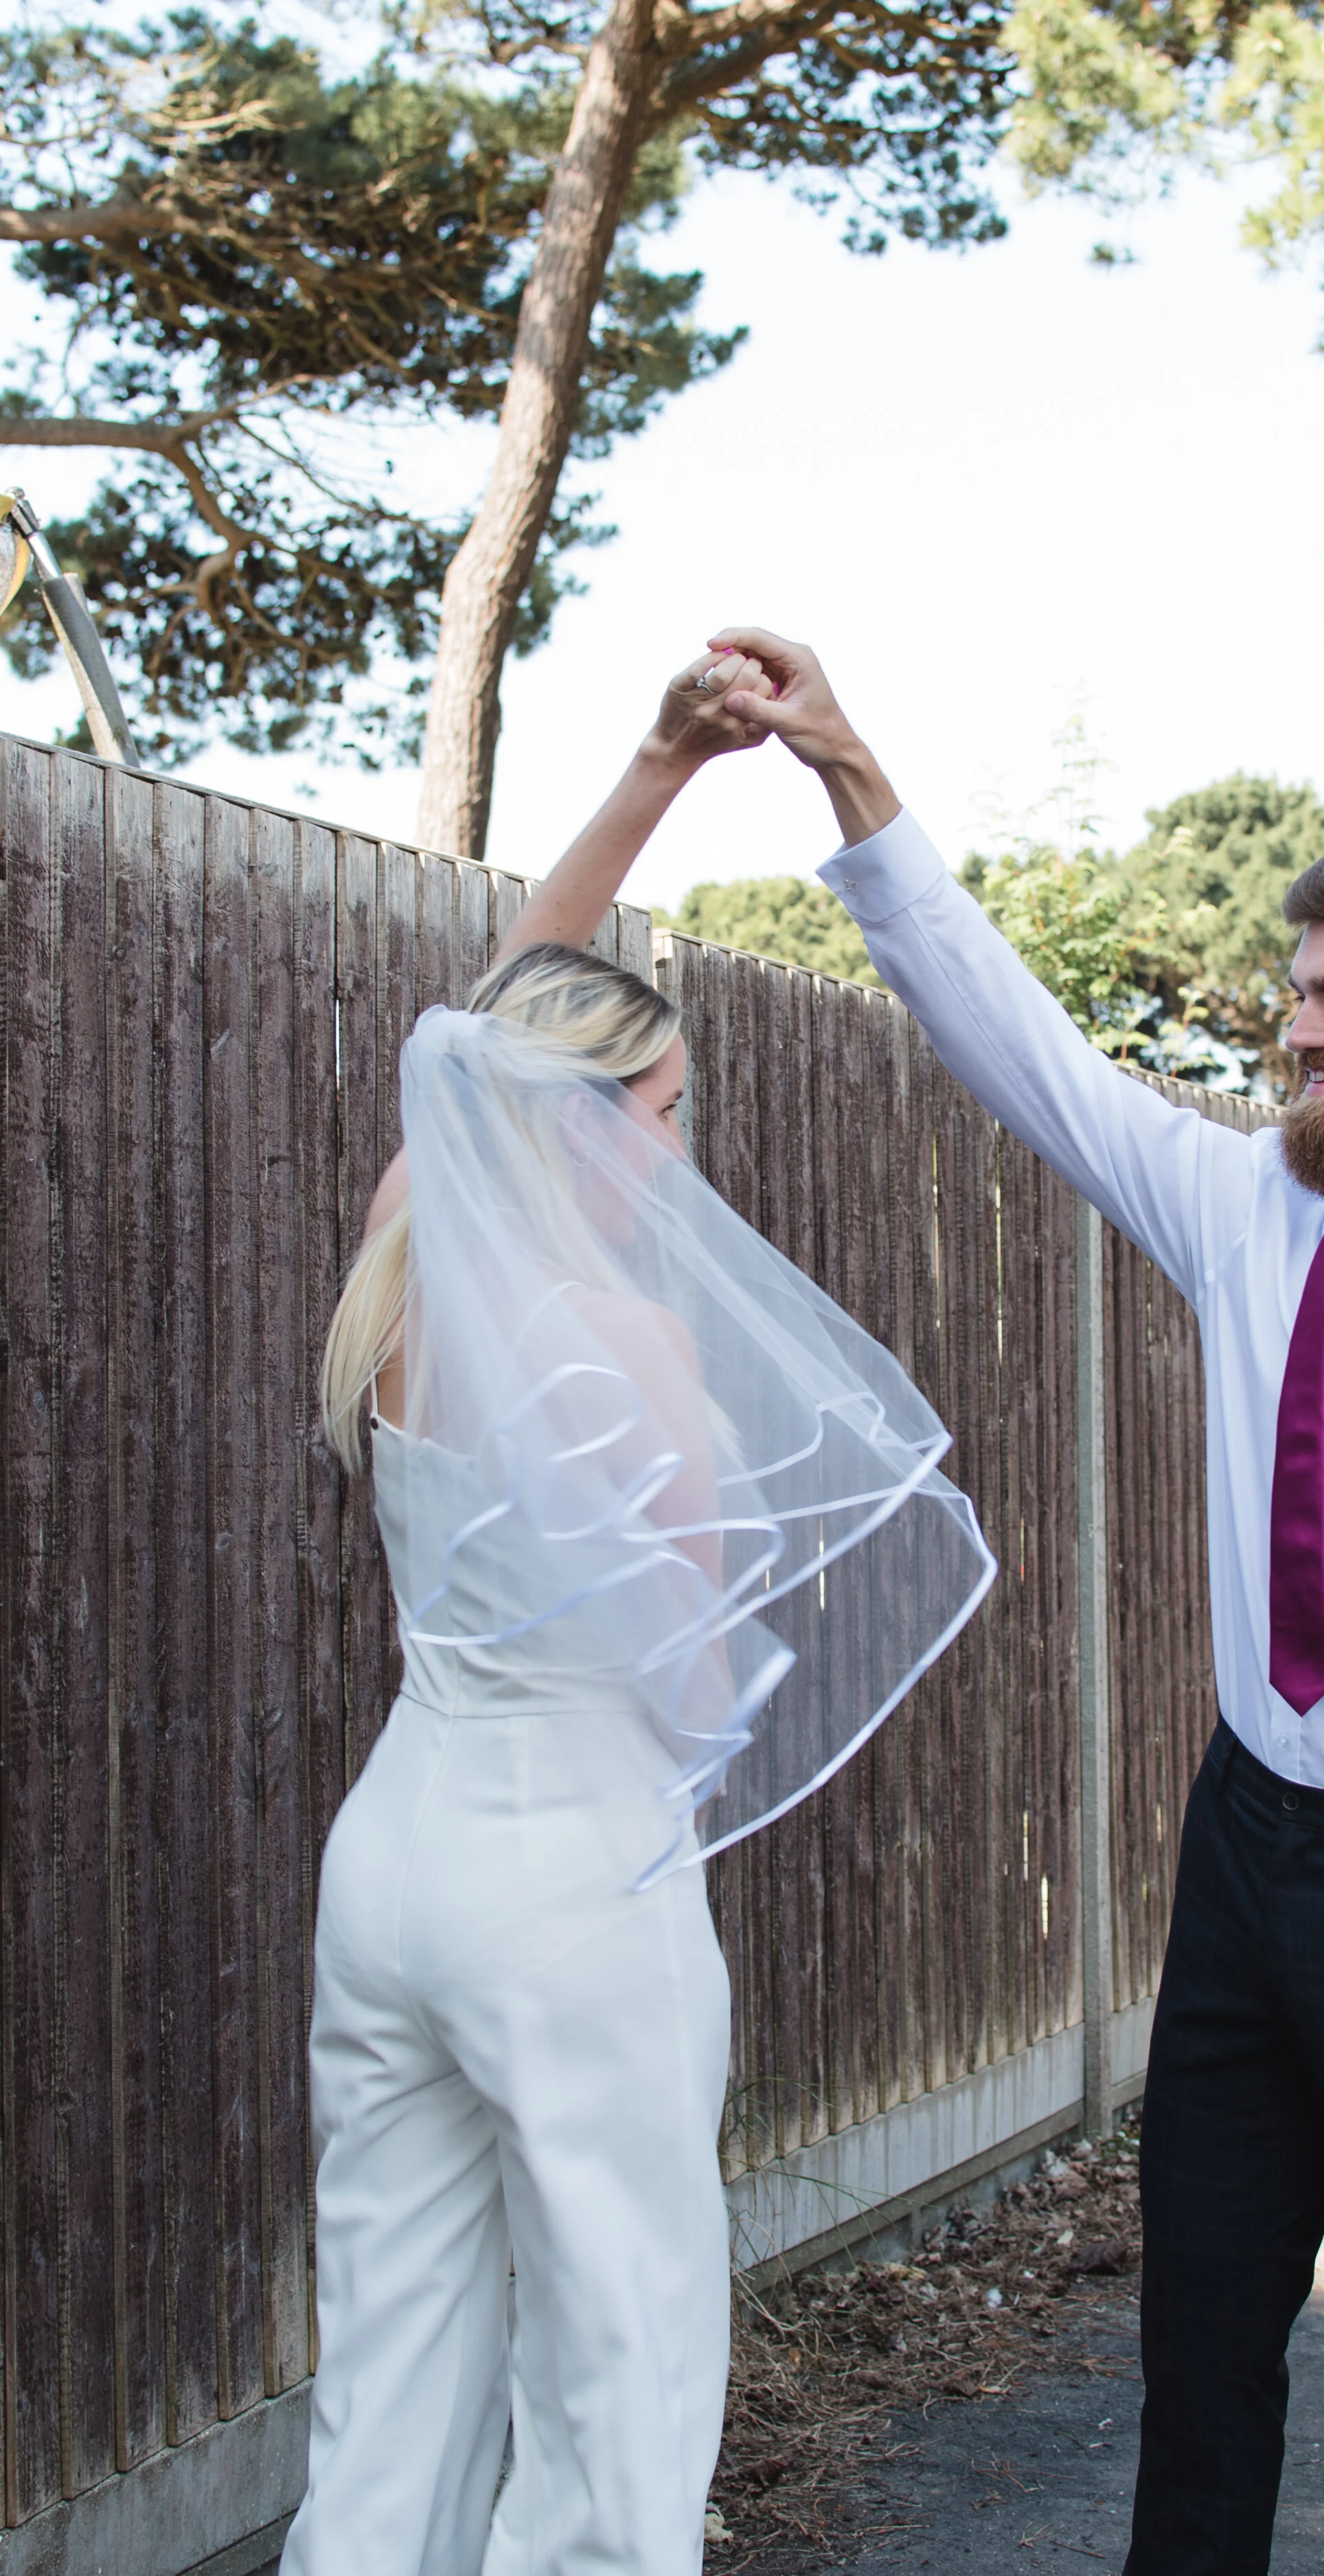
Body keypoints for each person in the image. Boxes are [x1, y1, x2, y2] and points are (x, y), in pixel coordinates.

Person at [654, 626, 1324, 2576]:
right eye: (1288, 994)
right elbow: (1011, 1040)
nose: (1289, 1033)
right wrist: (849, 773)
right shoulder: (1239, 1204)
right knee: (1199, 2359)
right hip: (1245, 1858)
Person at [282, 648, 994, 2576]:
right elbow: (690, 1674)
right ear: (588, 1123)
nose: (681, 1149)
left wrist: (658, 768)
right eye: (663, 1108)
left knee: (399, 2354)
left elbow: (486, 1018)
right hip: (574, 1894)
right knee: (621, 2357)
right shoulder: (629, 1343)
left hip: (394, 1870)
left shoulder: (406, 1266)